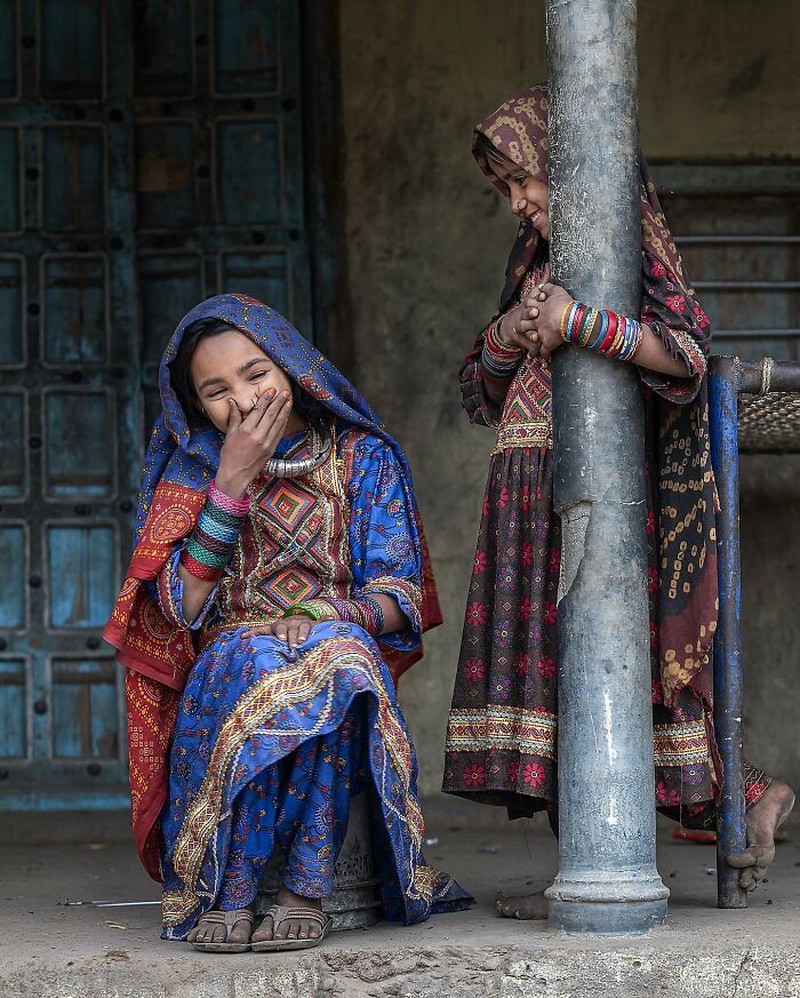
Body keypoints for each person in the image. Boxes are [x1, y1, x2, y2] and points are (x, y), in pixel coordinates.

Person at [442, 84, 794, 918]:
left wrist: (582, 322)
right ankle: (601, 862)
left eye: (525, 181)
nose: (520, 205)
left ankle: (730, 802)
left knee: (623, 676)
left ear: (574, 171)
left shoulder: (625, 250)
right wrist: (513, 335)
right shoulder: (532, 264)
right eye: (507, 192)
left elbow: (685, 352)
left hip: (608, 500)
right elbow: (476, 393)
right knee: (560, 685)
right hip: (525, 497)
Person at [104, 293, 471, 952]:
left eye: (255, 374)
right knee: (260, 654)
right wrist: (231, 483)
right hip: (230, 661)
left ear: (294, 368)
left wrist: (329, 613)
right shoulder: (194, 470)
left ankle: (302, 889)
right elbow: (182, 608)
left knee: (335, 658)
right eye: (215, 391)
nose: (242, 400)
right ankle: (234, 890)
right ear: (196, 407)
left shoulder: (363, 456)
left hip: (339, 642)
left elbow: (401, 594)